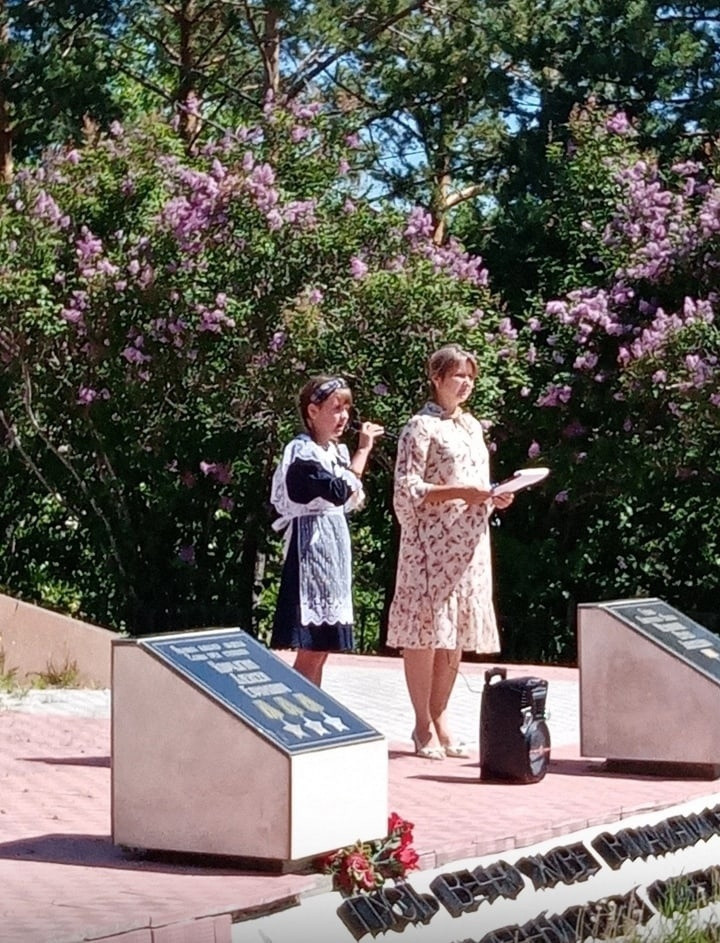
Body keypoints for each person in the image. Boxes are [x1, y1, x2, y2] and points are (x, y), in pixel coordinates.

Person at [387, 344, 514, 759]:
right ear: (437, 378)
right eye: (458, 375)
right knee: (425, 630)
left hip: (468, 543)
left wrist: (495, 496)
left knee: (454, 630)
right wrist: (460, 492)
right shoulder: (419, 427)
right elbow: (407, 490)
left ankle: (441, 715)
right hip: (430, 545)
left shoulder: (472, 426)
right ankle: (421, 724)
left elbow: (478, 481)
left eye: (471, 377)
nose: (466, 383)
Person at [269, 376, 384, 686]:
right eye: (336, 408)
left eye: (347, 408)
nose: (344, 416)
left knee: (321, 649)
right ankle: (295, 707)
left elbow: (350, 498)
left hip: (331, 553)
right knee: (311, 647)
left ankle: (312, 704)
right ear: (312, 411)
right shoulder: (303, 453)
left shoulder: (333, 453)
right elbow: (338, 491)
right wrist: (363, 451)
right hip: (310, 552)